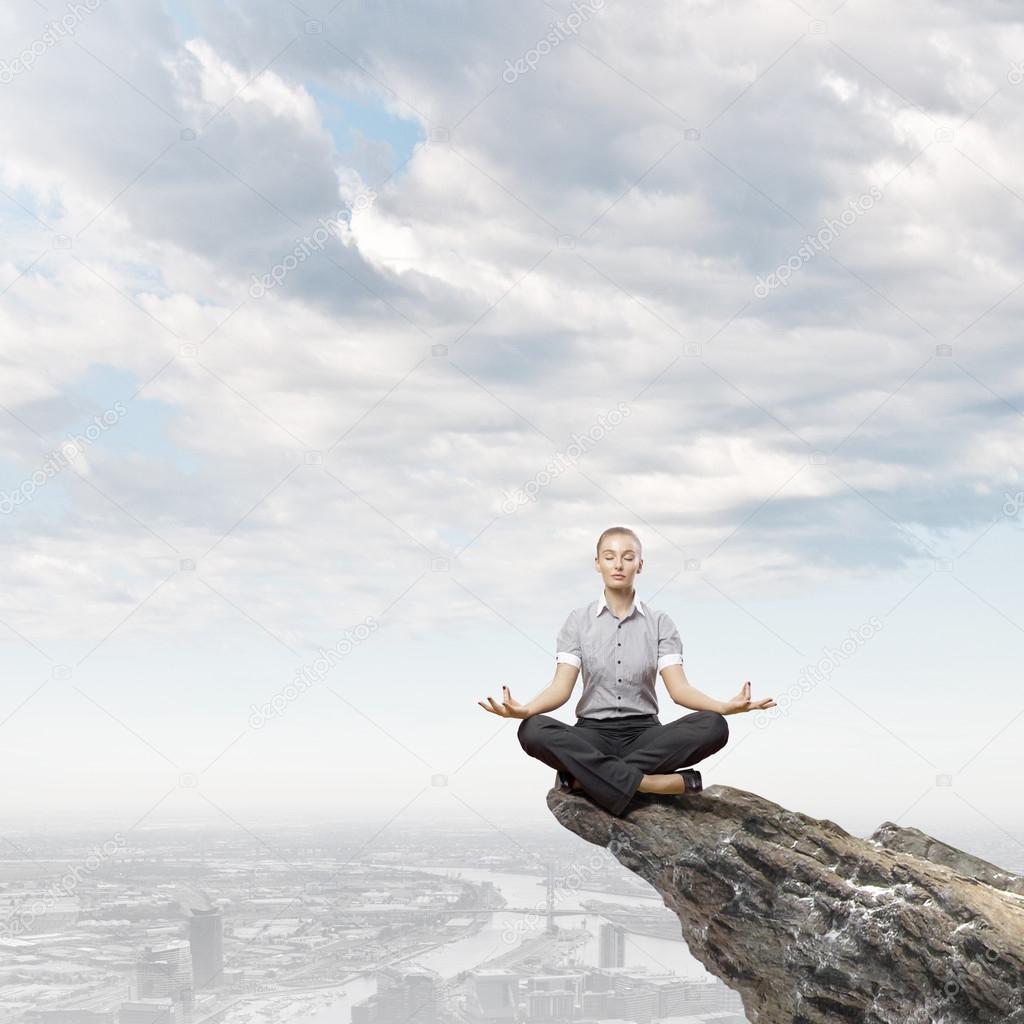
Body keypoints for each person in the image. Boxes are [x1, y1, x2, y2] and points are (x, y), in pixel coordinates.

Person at [478, 526, 776, 816]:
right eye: (609, 556)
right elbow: (561, 688)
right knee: (532, 729)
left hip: (645, 735)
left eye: (628, 556)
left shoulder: (660, 623)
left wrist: (724, 707)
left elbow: (679, 690)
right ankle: (652, 783)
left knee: (714, 726)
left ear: (640, 565)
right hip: (592, 735)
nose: (618, 564)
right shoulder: (577, 621)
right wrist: (525, 709)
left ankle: (584, 779)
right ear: (597, 564)